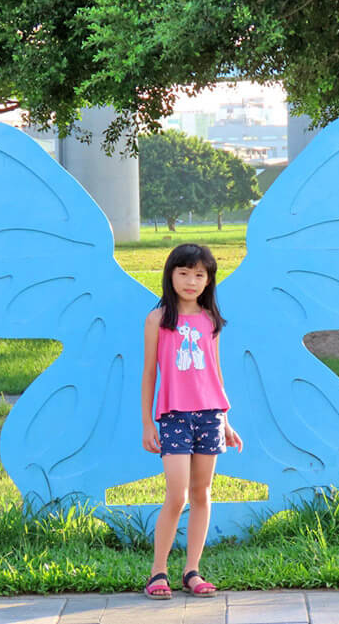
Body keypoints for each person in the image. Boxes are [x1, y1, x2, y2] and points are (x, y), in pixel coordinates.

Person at [141, 243, 243, 600]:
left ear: (208, 280)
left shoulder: (211, 320)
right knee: (177, 494)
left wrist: (226, 420)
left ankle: (192, 571)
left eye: (199, 274)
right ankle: (158, 572)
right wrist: (147, 423)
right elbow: (149, 375)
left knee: (202, 493)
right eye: (184, 272)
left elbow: (215, 373)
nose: (191, 280)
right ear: (171, 274)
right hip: (173, 416)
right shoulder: (157, 319)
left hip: (210, 416)